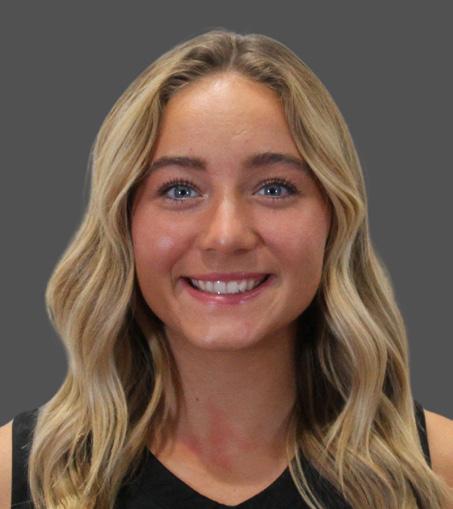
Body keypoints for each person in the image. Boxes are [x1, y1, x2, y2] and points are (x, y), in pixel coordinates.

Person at [0, 28, 452, 509]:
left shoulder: (439, 475)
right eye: (179, 190)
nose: (226, 235)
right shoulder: (15, 477)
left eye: (274, 188)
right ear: (123, 223)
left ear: (334, 220)